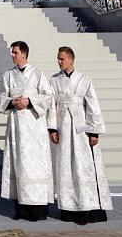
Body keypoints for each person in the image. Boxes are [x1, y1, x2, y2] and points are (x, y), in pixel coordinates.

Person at [47, 46, 113, 225]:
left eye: (62, 58)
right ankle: (69, 209)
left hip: (82, 130)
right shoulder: (54, 80)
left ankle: (90, 207)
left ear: (71, 60)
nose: (59, 61)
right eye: (58, 58)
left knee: (85, 167)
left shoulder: (84, 79)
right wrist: (52, 129)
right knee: (66, 166)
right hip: (63, 129)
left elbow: (92, 104)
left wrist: (94, 131)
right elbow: (51, 105)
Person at [0, 40, 54, 221]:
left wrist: (29, 101)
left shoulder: (37, 74)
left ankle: (37, 211)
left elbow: (48, 96)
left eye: (15, 52)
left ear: (24, 54)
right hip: (16, 126)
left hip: (33, 126)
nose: (12, 55)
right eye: (12, 52)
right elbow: (1, 97)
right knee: (18, 164)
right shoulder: (8, 75)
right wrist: (12, 102)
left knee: (34, 166)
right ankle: (21, 210)